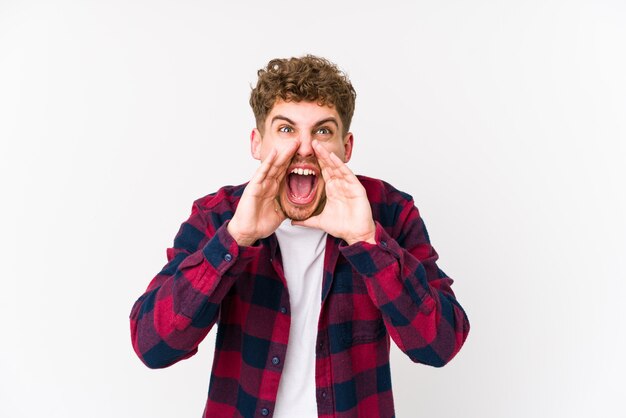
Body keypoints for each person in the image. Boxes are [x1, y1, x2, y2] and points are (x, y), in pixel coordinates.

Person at [130, 55, 470, 418]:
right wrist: (235, 240)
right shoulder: (219, 215)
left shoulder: (388, 211)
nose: (305, 148)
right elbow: (153, 346)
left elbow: (440, 346)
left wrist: (368, 242)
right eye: (287, 130)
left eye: (323, 131)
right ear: (257, 143)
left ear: (347, 147)